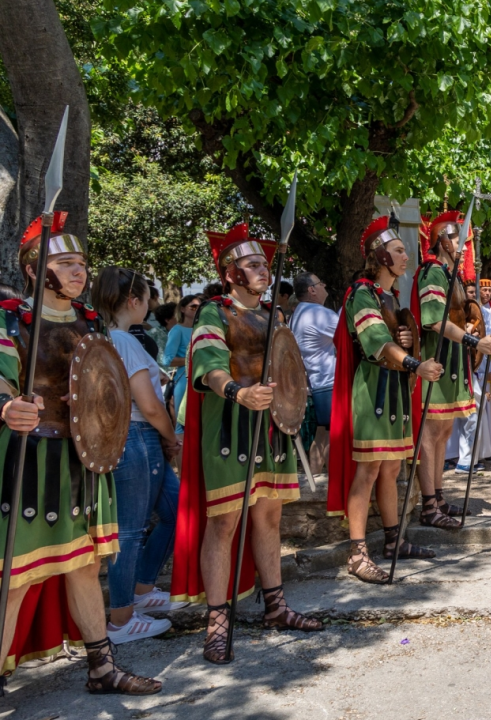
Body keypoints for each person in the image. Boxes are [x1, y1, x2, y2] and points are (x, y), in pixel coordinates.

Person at [0, 213, 161, 694]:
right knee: (15, 579)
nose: (78, 271)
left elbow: (107, 386)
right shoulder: (10, 319)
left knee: (85, 566)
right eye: (65, 263)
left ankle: (102, 669)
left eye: (81, 263)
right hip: (29, 461)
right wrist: (7, 405)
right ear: (34, 270)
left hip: (84, 461)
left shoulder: (90, 322)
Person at [172, 222, 324, 665]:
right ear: (230, 272)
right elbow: (208, 365)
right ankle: (217, 623)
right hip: (229, 431)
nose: (263, 270)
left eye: (264, 264)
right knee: (223, 524)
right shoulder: (213, 313)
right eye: (253, 264)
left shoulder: (275, 314)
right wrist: (237, 392)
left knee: (270, 519)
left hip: (272, 431)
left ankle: (276, 607)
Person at [328, 216, 443, 583]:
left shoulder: (390, 297)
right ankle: (357, 553)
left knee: (392, 469)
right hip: (372, 391)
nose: (406, 256)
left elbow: (393, 336)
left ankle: (395, 541)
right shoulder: (362, 293)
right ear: (380, 257)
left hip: (394, 390)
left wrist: (407, 342)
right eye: (398, 250)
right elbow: (376, 340)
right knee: (369, 470)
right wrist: (414, 363)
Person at [92, 267, 187, 644]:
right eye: (147, 298)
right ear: (134, 301)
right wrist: (170, 435)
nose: (150, 305)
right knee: (130, 530)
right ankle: (121, 620)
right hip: (137, 435)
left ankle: (142, 590)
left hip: (135, 436)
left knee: (174, 510)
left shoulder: (109, 338)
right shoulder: (124, 341)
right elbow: (148, 405)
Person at [413, 212, 491, 528]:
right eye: (458, 239)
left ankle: (438, 497)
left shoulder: (451, 276)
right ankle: (428, 506)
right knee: (431, 433)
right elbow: (434, 321)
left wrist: (471, 328)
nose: (464, 247)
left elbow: (457, 316)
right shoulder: (432, 273)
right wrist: (474, 341)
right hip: (435, 359)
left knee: (444, 432)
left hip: (452, 360)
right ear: (442, 241)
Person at [455, 280, 491, 473]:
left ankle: (477, 455)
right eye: (478, 291)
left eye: (489, 290)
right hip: (468, 366)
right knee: (469, 413)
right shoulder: (461, 311)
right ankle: (463, 459)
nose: (484, 293)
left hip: (482, 361)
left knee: (481, 413)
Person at [290, 272, 337, 474]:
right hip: (327, 382)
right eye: (320, 283)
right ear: (312, 290)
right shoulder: (319, 313)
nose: (324, 285)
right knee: (333, 435)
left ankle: (316, 478)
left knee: (322, 434)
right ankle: (334, 480)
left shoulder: (299, 312)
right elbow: (350, 336)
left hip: (315, 383)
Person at [163, 294, 203, 428]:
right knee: (183, 424)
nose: (197, 309)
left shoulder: (203, 329)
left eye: (200, 307)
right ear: (182, 309)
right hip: (184, 380)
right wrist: (194, 359)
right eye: (193, 307)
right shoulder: (177, 330)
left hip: (202, 378)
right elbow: (167, 360)